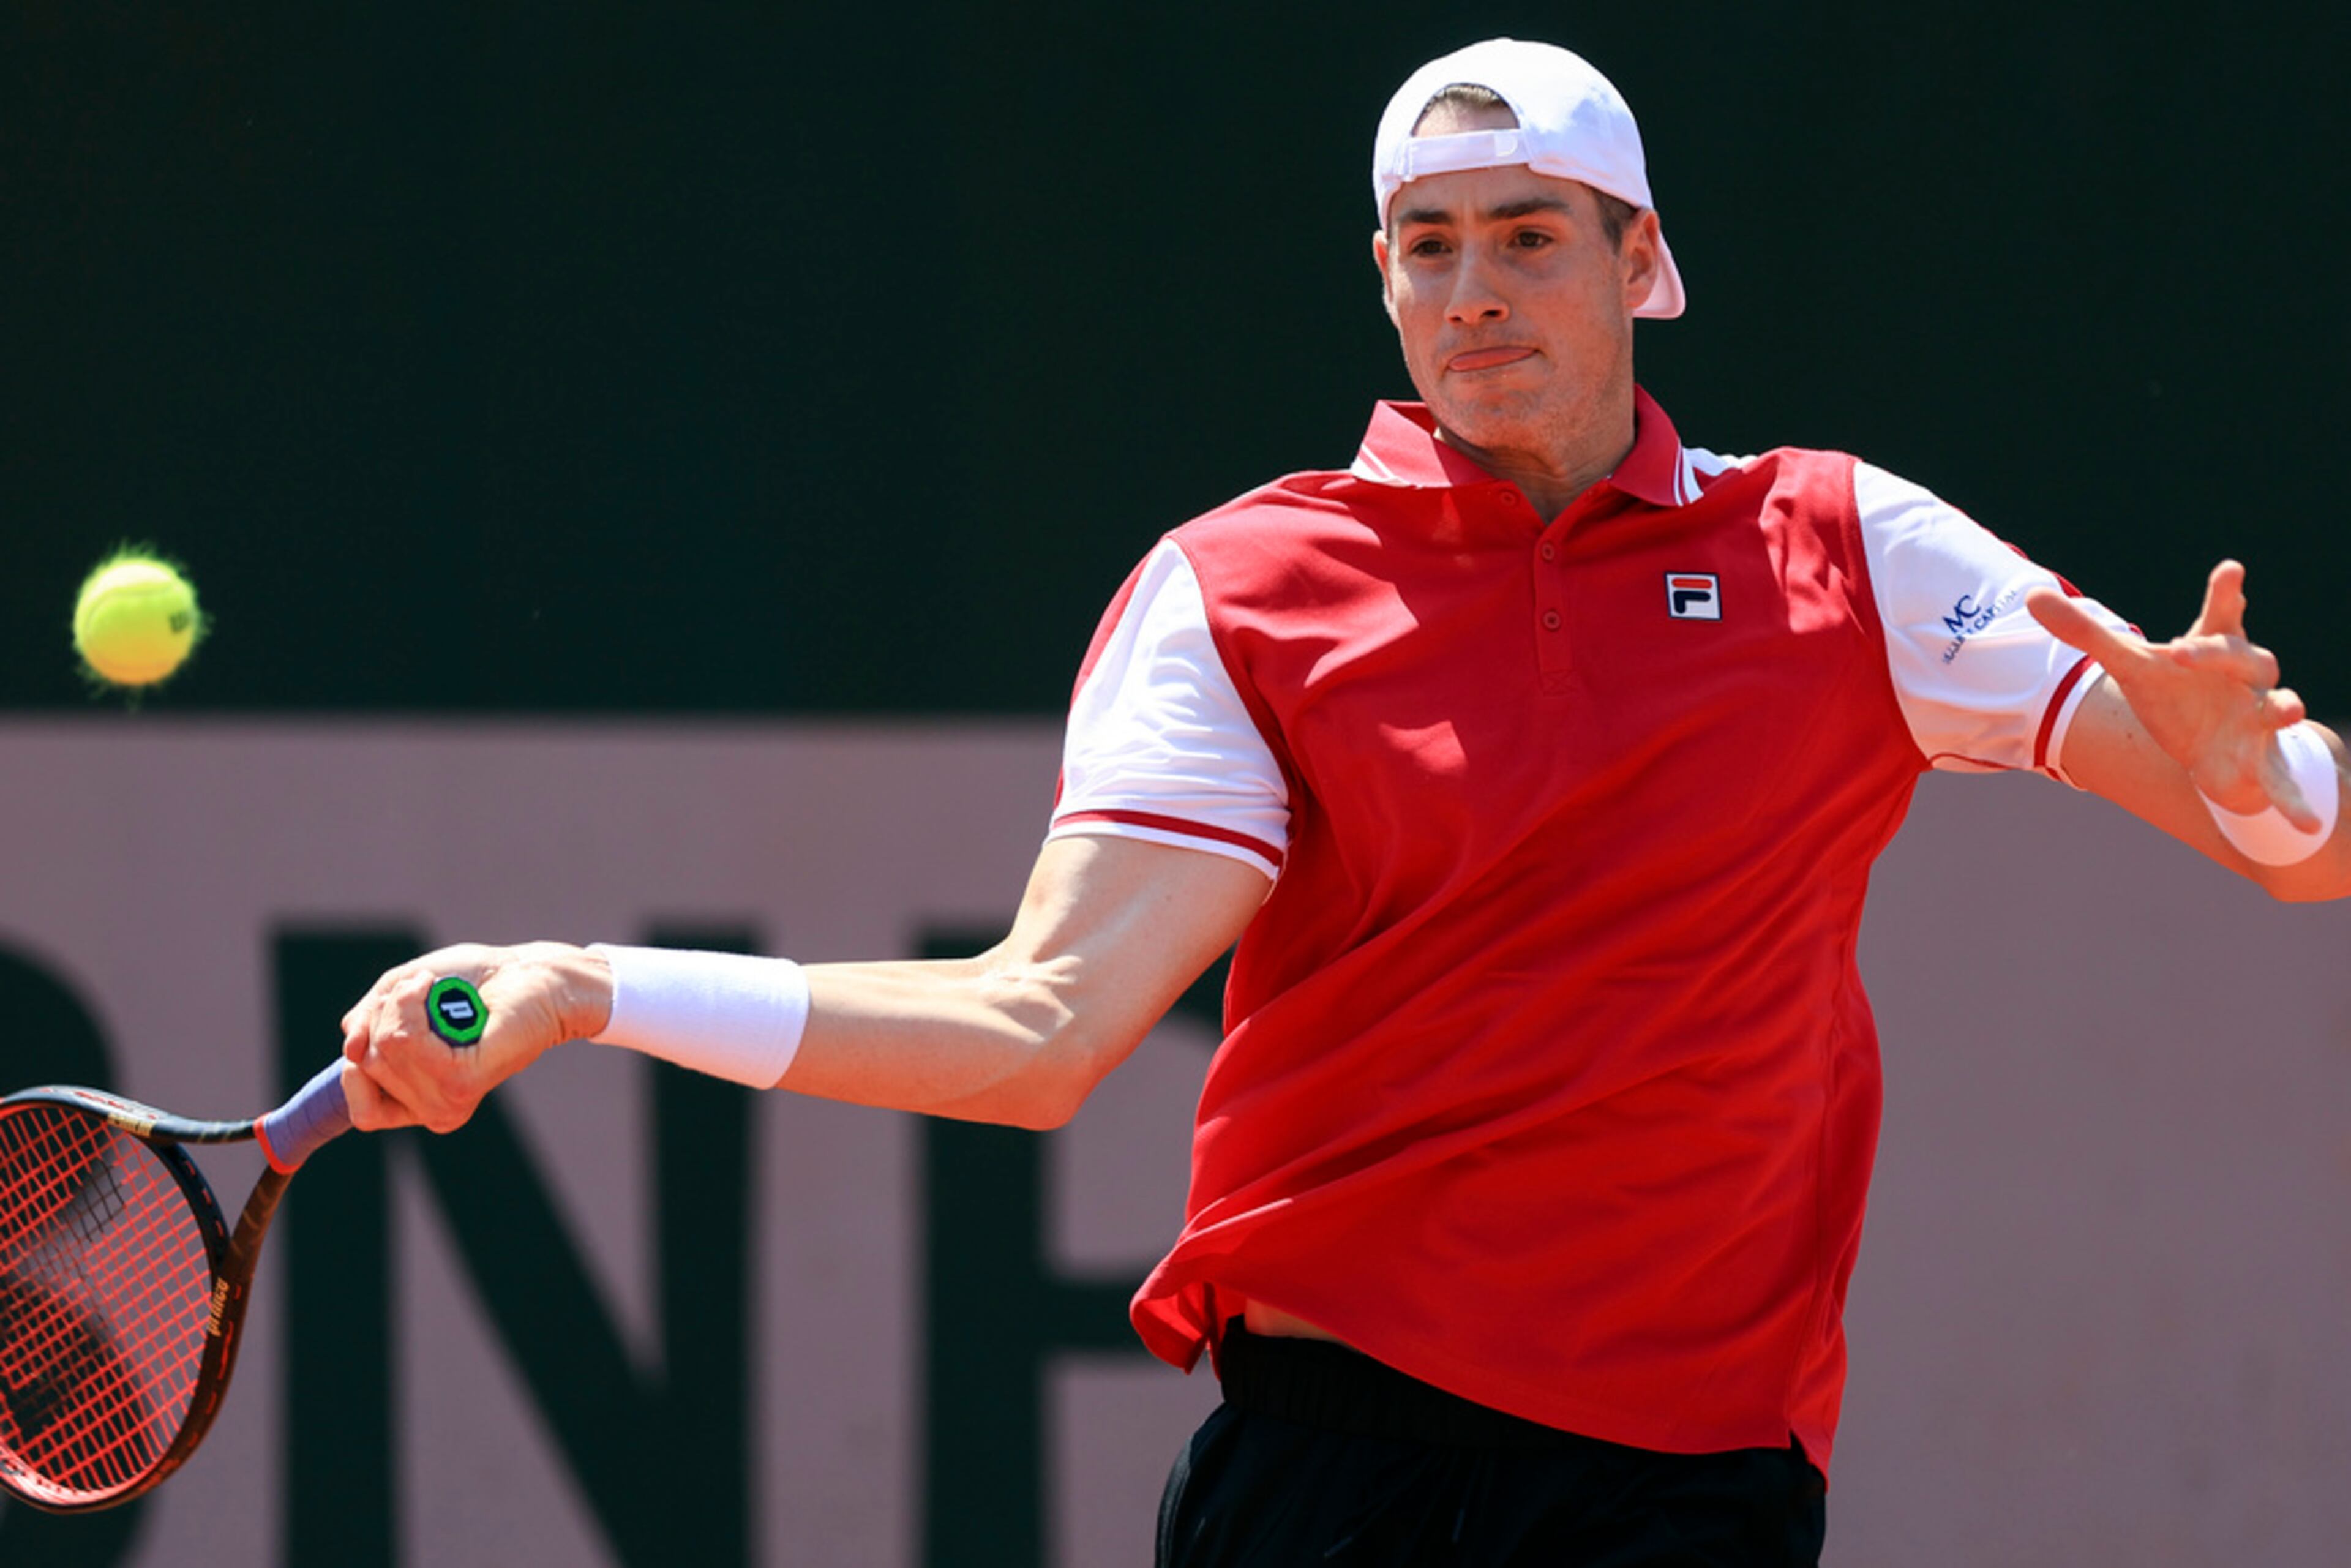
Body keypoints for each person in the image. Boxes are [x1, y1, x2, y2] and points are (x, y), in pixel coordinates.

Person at [336, 38, 2351, 1567]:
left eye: (1532, 238)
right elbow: (1040, 1030)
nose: (1476, 289)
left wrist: (2255, 773)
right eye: (1429, 245)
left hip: (1704, 1486)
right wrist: (586, 983)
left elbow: (2302, 852)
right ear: (1384, 282)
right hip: (1336, 1464)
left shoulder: (1845, 550)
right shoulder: (1242, 592)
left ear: (1645, 266)